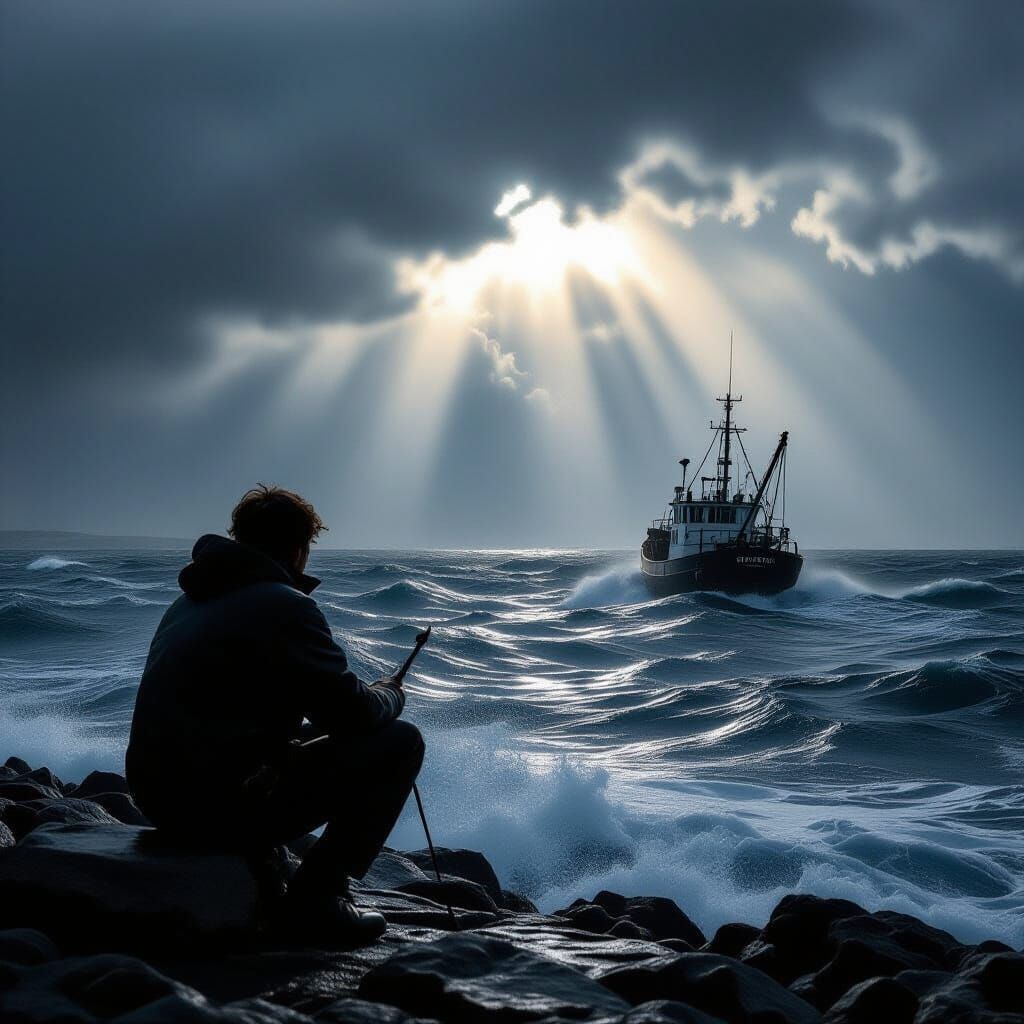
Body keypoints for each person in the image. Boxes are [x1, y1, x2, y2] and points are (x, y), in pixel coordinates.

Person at [126, 485, 423, 942]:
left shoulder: (188, 602)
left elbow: (228, 718)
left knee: (303, 739)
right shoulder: (286, 605)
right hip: (212, 809)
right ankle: (317, 899)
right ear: (299, 548)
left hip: (157, 799)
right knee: (400, 743)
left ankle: (269, 864)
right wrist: (390, 694)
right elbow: (355, 715)